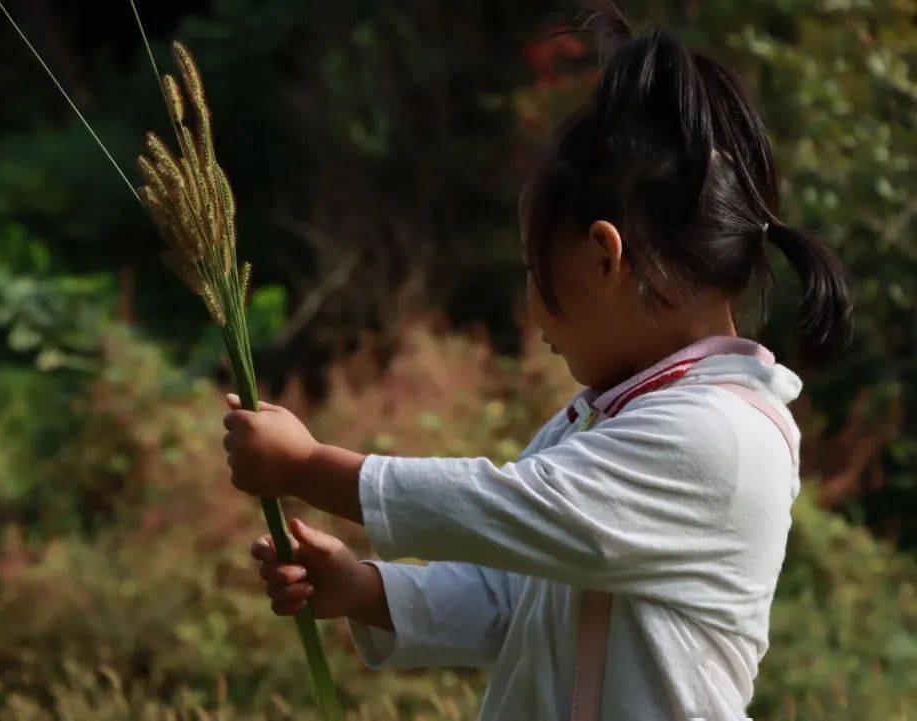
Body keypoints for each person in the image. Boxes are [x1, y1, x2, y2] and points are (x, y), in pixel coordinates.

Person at [220, 2, 852, 718]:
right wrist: (367, 589)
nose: (530, 302)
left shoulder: (721, 437)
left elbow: (508, 506)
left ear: (604, 256)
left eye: (532, 264)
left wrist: (307, 468)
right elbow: (509, 596)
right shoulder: (601, 419)